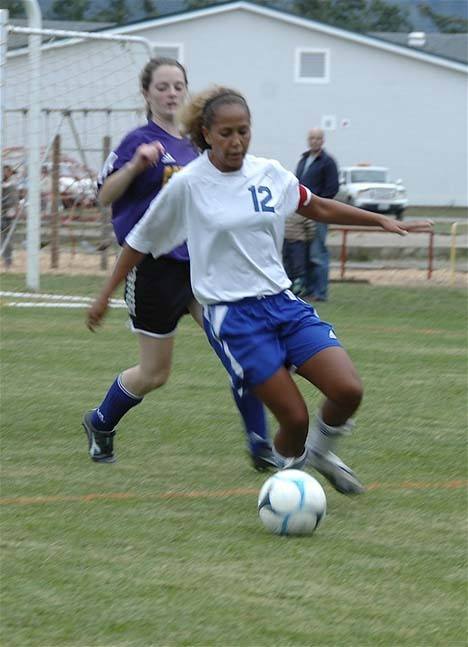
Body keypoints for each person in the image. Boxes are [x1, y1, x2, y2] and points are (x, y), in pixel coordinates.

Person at [86, 86, 432, 495]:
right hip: (234, 317)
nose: (236, 142)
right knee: (295, 419)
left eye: (244, 132)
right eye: (227, 133)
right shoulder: (188, 185)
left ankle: (319, 453)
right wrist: (105, 294)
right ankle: (292, 486)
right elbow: (139, 242)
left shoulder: (268, 172)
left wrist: (380, 222)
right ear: (206, 135)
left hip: (283, 305)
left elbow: (316, 205)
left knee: (348, 390)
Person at [83, 60, 274, 471]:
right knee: (154, 374)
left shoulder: (198, 144)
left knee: (240, 351)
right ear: (147, 93)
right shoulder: (137, 140)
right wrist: (136, 165)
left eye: (178, 86)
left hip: (203, 268)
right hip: (152, 269)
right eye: (162, 87)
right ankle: (100, 421)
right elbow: (103, 196)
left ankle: (260, 445)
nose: (171, 93)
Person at [295, 128, 339, 301]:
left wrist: (319, 205)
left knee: (317, 253)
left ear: (323, 141)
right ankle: (308, 289)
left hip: (318, 214)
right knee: (304, 253)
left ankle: (320, 292)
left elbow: (332, 188)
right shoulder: (304, 159)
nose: (314, 141)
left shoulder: (327, 162)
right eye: (311, 138)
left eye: (318, 138)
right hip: (301, 213)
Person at [1, 165, 19, 269]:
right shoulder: (2, 184)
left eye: (7, 171)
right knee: (3, 238)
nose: (5, 173)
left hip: (9, 214)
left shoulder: (12, 185)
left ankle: (8, 260)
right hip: (3, 213)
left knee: (8, 238)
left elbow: (14, 200)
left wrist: (14, 210)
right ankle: (5, 259)